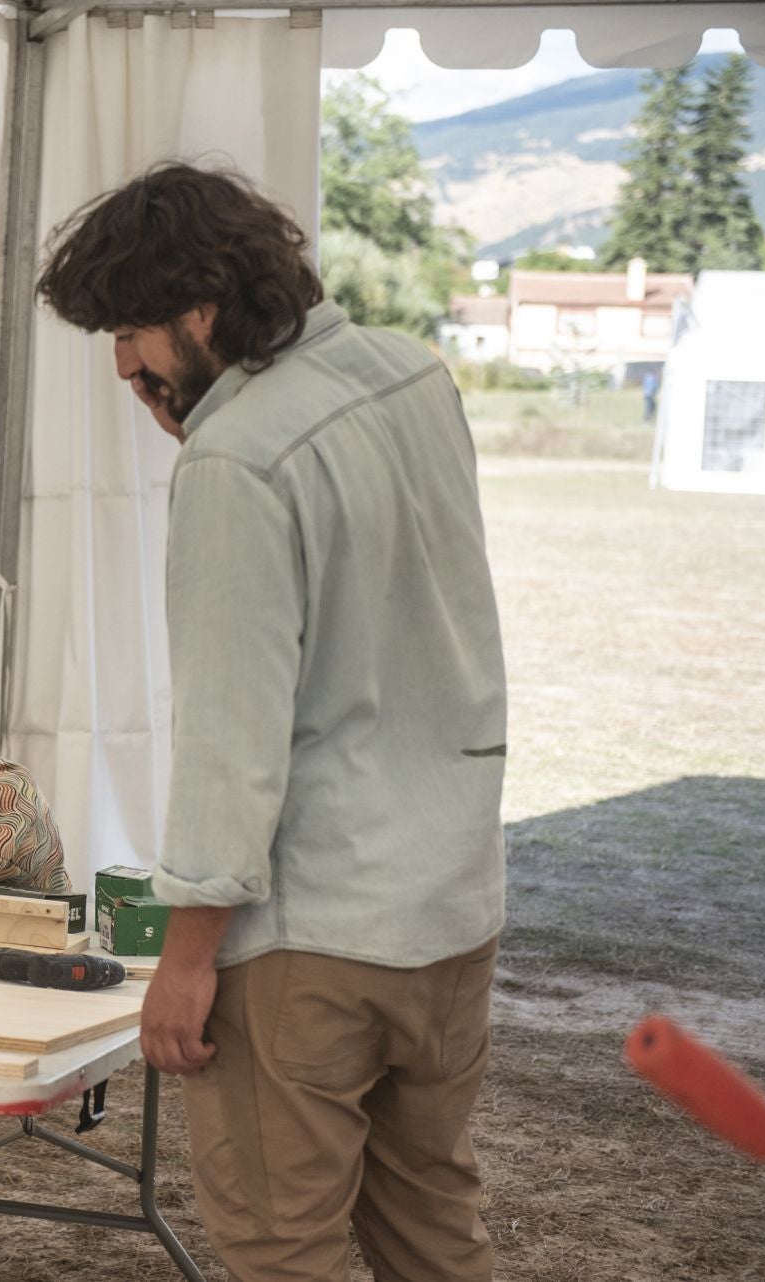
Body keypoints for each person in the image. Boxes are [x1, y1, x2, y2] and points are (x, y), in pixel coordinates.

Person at [38, 163, 507, 1282]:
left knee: (279, 1253)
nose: (120, 364)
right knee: (434, 1230)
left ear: (203, 307)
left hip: (313, 938)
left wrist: (184, 958)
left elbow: (228, 741)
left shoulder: (240, 460)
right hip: (449, 906)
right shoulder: (409, 374)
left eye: (130, 329)